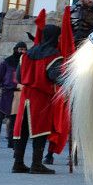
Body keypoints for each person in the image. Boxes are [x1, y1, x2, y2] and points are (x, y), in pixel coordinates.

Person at [12, 24, 65, 174]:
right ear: (54, 37)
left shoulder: (26, 55)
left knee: (22, 130)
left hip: (26, 96)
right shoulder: (54, 56)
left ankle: (18, 163)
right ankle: (36, 164)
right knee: (40, 130)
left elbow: (18, 77)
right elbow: (57, 78)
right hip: (41, 97)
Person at [0, 42, 25, 148]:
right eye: (20, 49)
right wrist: (3, 86)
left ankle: (11, 142)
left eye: (24, 49)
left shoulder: (25, 63)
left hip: (18, 94)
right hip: (6, 93)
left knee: (13, 120)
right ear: (15, 49)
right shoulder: (6, 62)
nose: (22, 51)